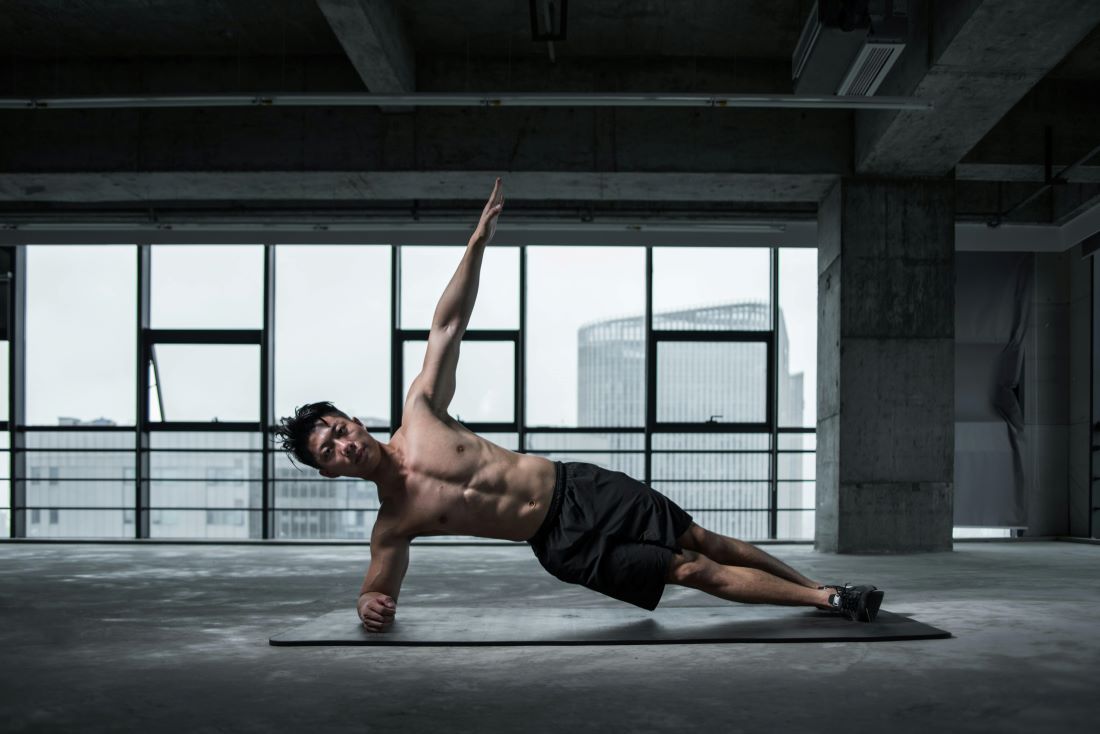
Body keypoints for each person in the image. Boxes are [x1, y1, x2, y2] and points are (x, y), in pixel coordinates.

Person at [275, 178, 884, 632]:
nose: (344, 444)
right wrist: (366, 604)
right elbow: (378, 588)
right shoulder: (394, 523)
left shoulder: (423, 412)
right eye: (329, 452)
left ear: (352, 419)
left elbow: (447, 325)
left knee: (704, 539)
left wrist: (478, 241)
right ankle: (827, 599)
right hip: (562, 545)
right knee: (689, 569)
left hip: (580, 487)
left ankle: (827, 592)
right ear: (331, 472)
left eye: (337, 429)